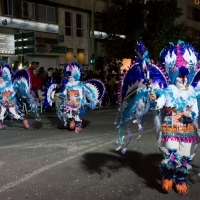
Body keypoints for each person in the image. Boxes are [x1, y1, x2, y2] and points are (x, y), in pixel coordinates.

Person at [149, 41, 199, 195]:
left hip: (187, 128)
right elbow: (159, 104)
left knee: (185, 155)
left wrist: (188, 114)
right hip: (170, 126)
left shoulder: (192, 91)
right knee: (171, 152)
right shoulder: (167, 90)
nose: (182, 78)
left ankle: (181, 179)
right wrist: (153, 100)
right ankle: (167, 176)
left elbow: (195, 111)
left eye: (185, 75)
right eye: (179, 75)